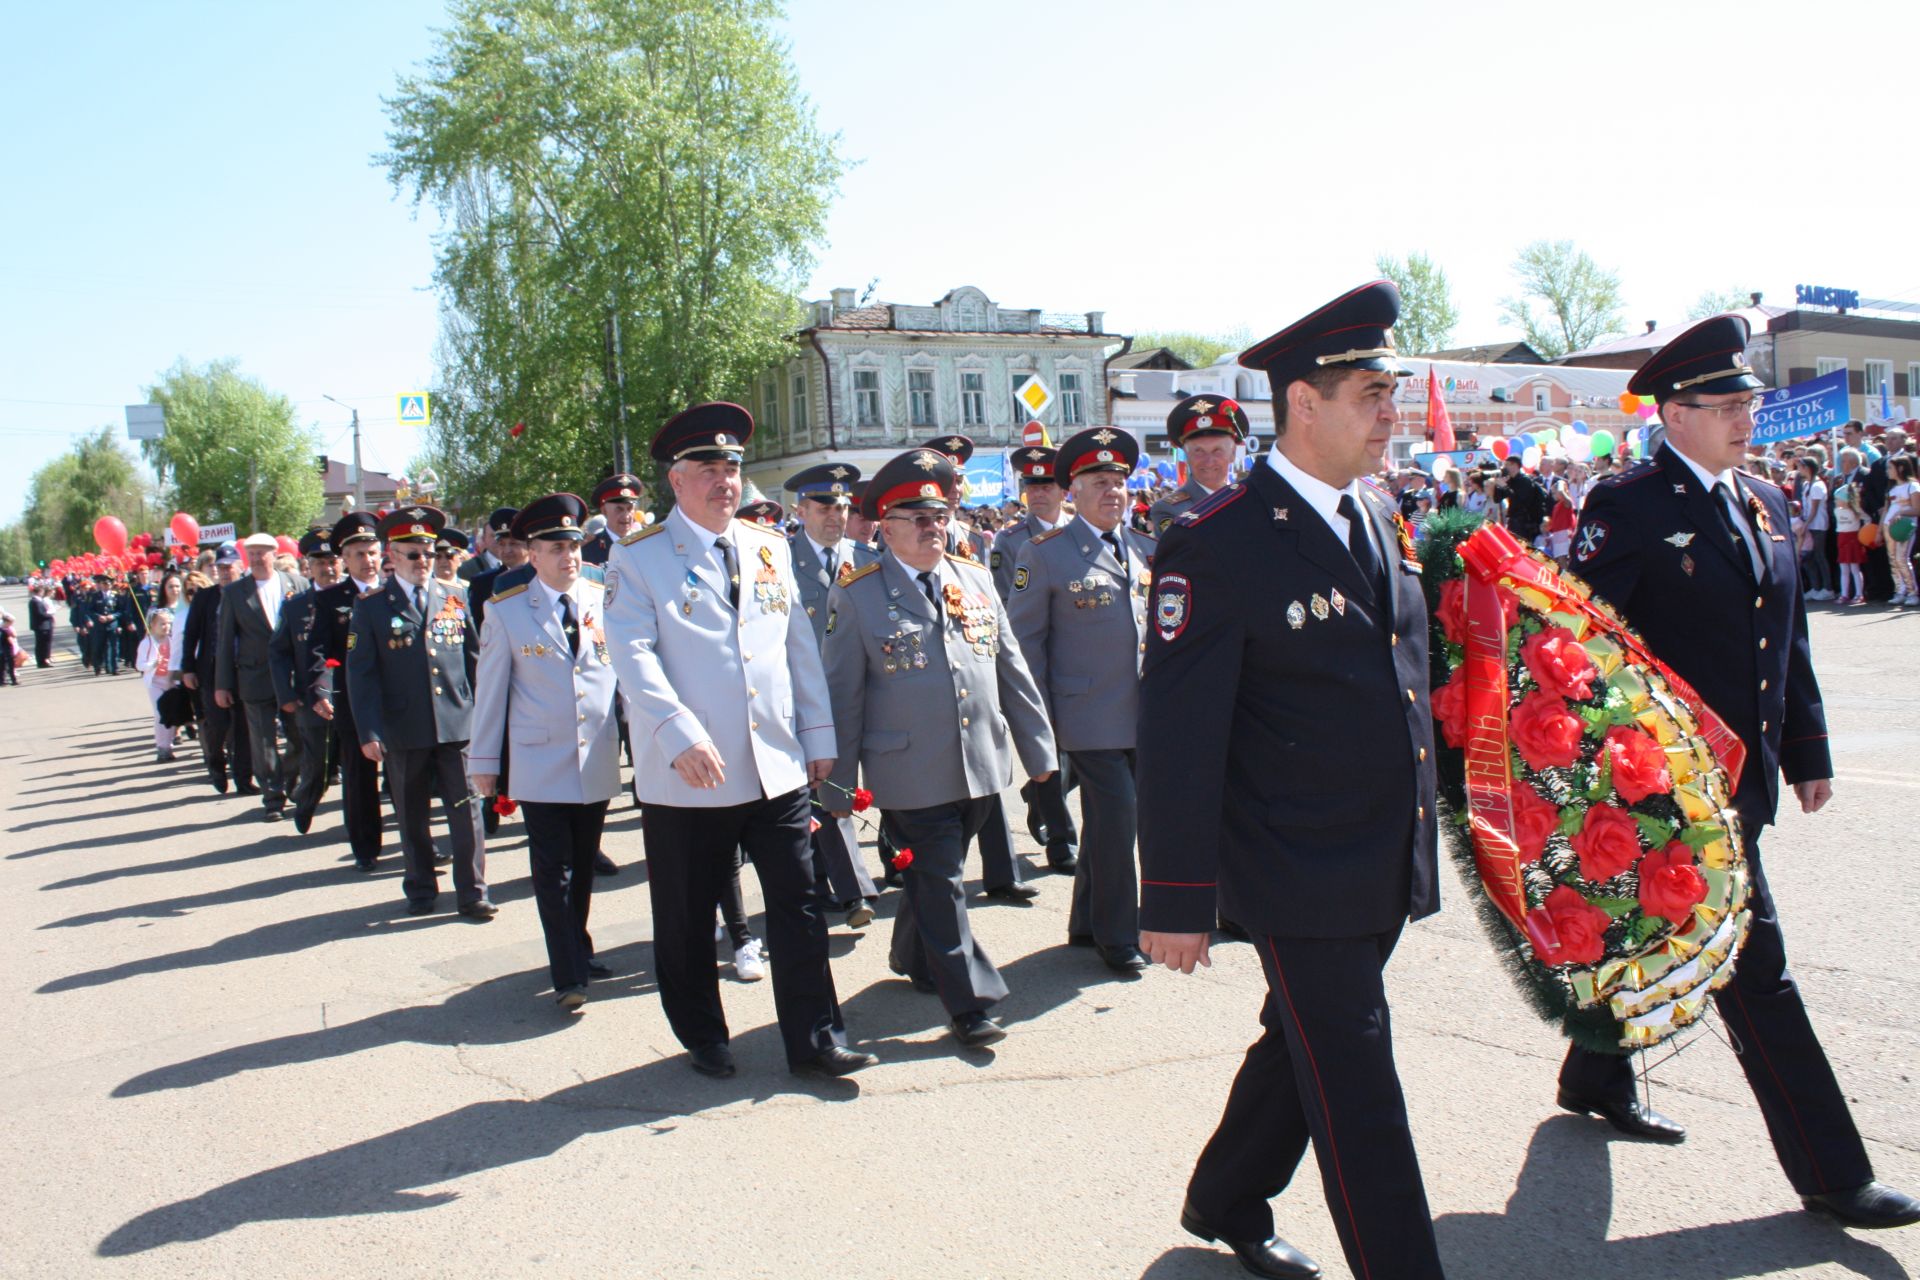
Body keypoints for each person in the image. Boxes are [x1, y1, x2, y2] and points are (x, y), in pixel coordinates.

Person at [1562, 313, 1920, 1230]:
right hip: (1670, 786)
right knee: (1759, 970)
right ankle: (1833, 1174)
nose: (1743, 416)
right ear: (1673, 414)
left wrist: (1805, 749)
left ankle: (1594, 1071)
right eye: (1723, 404)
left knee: (1628, 931)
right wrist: (1622, 779)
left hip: (1745, 777)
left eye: (1746, 400)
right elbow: (1585, 656)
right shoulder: (1629, 507)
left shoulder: (1758, 498)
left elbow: (1784, 639)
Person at [1138, 280, 1444, 1279]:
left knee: (1301, 1038)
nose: (1390, 409)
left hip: (1381, 854)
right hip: (1296, 866)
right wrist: (1177, 898)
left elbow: (1399, 681)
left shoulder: (1380, 513)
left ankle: (1226, 1191)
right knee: (1358, 1078)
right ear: (1302, 403)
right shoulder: (1218, 539)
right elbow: (1180, 733)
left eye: (1391, 390)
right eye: (1369, 391)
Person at [603, 401, 873, 1081]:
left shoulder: (767, 546)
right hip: (691, 769)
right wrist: (674, 732)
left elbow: (795, 648)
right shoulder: (639, 558)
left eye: (732, 466)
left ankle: (815, 1039)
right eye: (708, 468)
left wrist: (816, 733)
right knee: (689, 915)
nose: (725, 479)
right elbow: (630, 654)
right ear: (676, 480)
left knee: (799, 903)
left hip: (774, 764)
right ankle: (702, 1032)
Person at [822, 447, 1058, 1047]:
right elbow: (843, 698)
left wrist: (1041, 759)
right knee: (944, 878)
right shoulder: (857, 595)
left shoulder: (974, 580)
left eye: (938, 516)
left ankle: (914, 955)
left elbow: (1013, 674)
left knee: (932, 879)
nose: (933, 528)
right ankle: (970, 1002)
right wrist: (837, 793)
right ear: (887, 527)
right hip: (909, 772)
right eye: (916, 518)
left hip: (982, 765)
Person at [1008, 427, 1157, 973]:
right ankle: (1119, 936)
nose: (1112, 491)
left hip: (1138, 714)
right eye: (1099, 481)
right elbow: (1025, 645)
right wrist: (1037, 723)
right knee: (1121, 818)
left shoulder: (1141, 548)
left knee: (1108, 822)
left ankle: (1085, 921)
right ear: (1073, 490)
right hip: (1083, 717)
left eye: (1119, 481)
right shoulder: (1043, 552)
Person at [470, 493, 621, 1009]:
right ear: (531, 553)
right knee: (552, 868)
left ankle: (577, 945)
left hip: (596, 753)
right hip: (540, 760)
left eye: (574, 545)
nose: (568, 556)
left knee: (582, 864)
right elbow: (490, 691)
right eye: (556, 547)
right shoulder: (508, 609)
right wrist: (485, 763)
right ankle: (568, 974)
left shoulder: (605, 596)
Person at [346, 505, 494, 919]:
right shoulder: (371, 606)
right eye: (414, 554)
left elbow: (474, 660)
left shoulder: (454, 596)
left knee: (468, 812)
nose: (423, 562)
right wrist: (370, 731)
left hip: (456, 721)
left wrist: (485, 717)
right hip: (403, 725)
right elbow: (363, 675)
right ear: (392, 556)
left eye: (429, 553)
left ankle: (473, 891)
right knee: (411, 814)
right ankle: (421, 887)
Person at [781, 461, 882, 926]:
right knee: (826, 790)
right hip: (806, 698)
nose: (836, 514)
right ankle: (853, 891)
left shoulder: (865, 559)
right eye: (824, 505)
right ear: (800, 510)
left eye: (842, 505)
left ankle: (857, 878)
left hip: (865, 694)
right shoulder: (779, 561)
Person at [991, 445, 1080, 875]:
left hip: (1083, 659)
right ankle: (1061, 841)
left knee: (1082, 754)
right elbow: (1006, 605)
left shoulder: (1082, 530)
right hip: (1034, 658)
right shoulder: (1009, 541)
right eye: (1031, 484)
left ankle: (1038, 792)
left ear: (1063, 488)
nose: (1038, 492)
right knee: (1051, 747)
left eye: (1046, 484)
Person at [304, 512, 386, 869]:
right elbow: (318, 651)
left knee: (406, 777)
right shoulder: (331, 600)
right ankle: (365, 847)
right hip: (353, 702)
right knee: (359, 776)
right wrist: (320, 689)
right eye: (359, 554)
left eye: (372, 552)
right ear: (345, 560)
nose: (367, 561)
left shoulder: (395, 591)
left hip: (399, 697)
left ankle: (419, 844)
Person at [216, 532, 308, 822]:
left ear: (274, 553)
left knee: (299, 736)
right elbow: (225, 640)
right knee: (263, 740)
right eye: (251, 553)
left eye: (261, 553)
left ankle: (290, 780)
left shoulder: (298, 584)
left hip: (292, 676)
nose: (255, 558)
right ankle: (273, 797)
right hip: (254, 675)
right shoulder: (235, 593)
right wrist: (223, 684)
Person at [270, 528, 340, 833]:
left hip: (352, 697)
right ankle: (307, 800)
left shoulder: (358, 598)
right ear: (308, 566)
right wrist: (286, 693)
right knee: (320, 764)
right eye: (320, 562)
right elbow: (279, 653)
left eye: (333, 561)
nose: (328, 568)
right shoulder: (296, 606)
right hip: (312, 699)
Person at [181, 546, 253, 794]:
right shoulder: (205, 597)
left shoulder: (248, 593)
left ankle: (244, 779)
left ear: (240, 567)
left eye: (228, 567)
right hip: (211, 670)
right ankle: (216, 766)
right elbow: (191, 634)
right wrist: (187, 668)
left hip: (243, 669)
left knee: (243, 726)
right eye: (219, 567)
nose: (223, 572)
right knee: (217, 723)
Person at [1149, 394, 1251, 535]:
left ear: (1233, 453)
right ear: (1187, 455)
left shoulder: (1250, 502)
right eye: (1199, 451)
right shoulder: (1169, 509)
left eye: (1217, 450)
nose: (1209, 461)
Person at [136, 607, 183, 758]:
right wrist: (152, 664)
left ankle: (168, 745)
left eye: (168, 623)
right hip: (155, 682)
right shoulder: (147, 643)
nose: (166, 627)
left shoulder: (172, 641)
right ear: (152, 625)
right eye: (162, 624)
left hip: (171, 682)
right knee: (159, 713)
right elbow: (139, 665)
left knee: (171, 714)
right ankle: (162, 747)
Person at [581, 473, 647, 566]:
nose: (626, 516)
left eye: (629, 509)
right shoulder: (589, 550)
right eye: (619, 509)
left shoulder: (646, 544)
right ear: (604, 511)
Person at [1794, 457, 1834, 600]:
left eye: (1801, 467)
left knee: (1819, 556)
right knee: (1809, 557)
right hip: (1809, 524)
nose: (1799, 470)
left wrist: (1806, 524)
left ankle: (1828, 588)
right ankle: (1816, 587)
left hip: (1818, 525)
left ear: (1808, 468)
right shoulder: (1806, 484)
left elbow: (1815, 509)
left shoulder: (1818, 485)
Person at [1832, 450, 1866, 606]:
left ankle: (1859, 593)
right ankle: (1845, 593)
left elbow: (1866, 518)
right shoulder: (1837, 510)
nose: (1836, 501)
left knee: (1854, 567)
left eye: (1838, 499)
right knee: (1843, 568)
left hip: (1853, 538)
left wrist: (1861, 515)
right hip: (1842, 539)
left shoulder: (1855, 512)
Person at [1883, 454, 1917, 605]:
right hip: (1888, 527)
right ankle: (1899, 591)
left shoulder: (1913, 486)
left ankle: (1913, 592)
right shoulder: (1891, 489)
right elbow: (1886, 510)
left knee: (1902, 559)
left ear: (1901, 468)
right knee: (1893, 560)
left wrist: (1900, 513)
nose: (1887, 471)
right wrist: (1879, 531)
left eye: (1890, 467)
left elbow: (1917, 509)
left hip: (1904, 528)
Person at [1494, 453, 1548, 547]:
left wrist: (1505, 486)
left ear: (1515, 465)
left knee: (1523, 548)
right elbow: (1497, 499)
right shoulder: (1510, 480)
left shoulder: (1524, 480)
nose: (1504, 467)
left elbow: (1520, 500)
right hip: (1513, 521)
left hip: (1525, 523)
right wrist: (1498, 485)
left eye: (1507, 465)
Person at [29, 584, 56, 667]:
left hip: (43, 625)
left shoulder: (38, 601)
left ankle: (44, 659)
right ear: (39, 592)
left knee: (44, 643)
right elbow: (40, 614)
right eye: (42, 592)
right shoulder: (35, 601)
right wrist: (50, 614)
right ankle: (41, 661)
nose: (43, 593)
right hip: (40, 625)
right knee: (41, 644)